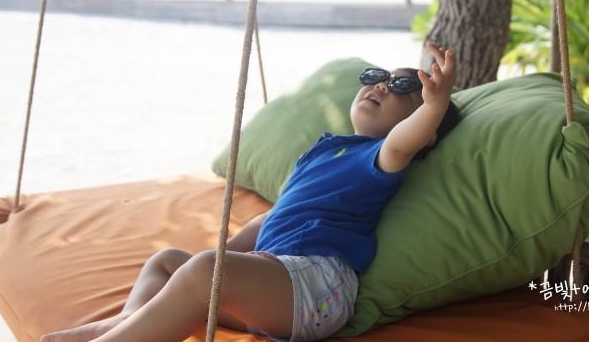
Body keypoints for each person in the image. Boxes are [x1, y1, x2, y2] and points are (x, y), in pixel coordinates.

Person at [41, 42, 459, 342]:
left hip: (315, 289)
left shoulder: (378, 157)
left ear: (424, 131)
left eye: (403, 88)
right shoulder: (325, 151)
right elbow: (274, 218)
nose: (382, 85)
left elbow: (403, 142)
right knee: (168, 261)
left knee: (206, 270)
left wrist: (435, 106)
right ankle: (122, 323)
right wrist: (229, 255)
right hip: (273, 290)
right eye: (377, 78)